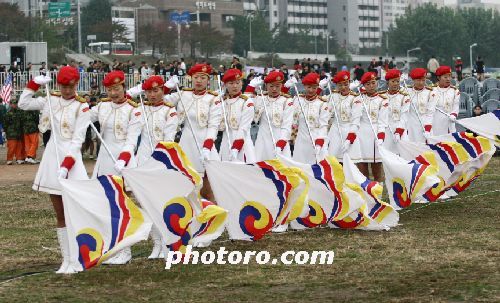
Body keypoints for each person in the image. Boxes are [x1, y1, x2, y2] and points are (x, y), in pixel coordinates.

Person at [18, 66, 90, 274]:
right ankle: (66, 259)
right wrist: (34, 84)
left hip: (71, 160)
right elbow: (23, 103)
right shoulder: (51, 99)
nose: (66, 90)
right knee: (59, 213)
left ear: (76, 84)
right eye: (63, 86)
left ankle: (77, 258)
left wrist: (67, 165)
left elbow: (78, 139)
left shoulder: (82, 107)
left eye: (70, 86)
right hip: (52, 157)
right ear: (58, 85)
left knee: (74, 212)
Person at [89, 71, 143, 265]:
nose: (113, 93)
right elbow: (84, 114)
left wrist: (123, 159)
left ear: (124, 87)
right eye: (110, 89)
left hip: (123, 160)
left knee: (123, 205)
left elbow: (131, 140)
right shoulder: (102, 106)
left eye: (117, 89)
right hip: (104, 158)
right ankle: (112, 246)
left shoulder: (133, 110)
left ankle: (125, 249)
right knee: (106, 204)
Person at [163, 63, 222, 201]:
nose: (199, 81)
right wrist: (168, 86)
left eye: (203, 77)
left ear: (208, 80)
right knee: (186, 187)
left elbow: (213, 126)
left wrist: (207, 148)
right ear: (191, 78)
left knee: (208, 189)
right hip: (186, 142)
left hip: (205, 144)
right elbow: (161, 100)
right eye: (196, 77)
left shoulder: (214, 98)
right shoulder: (184, 93)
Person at [244, 70, 295, 161]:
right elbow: (244, 103)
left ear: (282, 85)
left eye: (277, 86)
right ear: (266, 85)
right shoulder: (260, 98)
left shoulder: (287, 101)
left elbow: (287, 124)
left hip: (279, 138)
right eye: (271, 86)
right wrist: (250, 87)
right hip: (262, 138)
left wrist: (281, 143)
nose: (274, 89)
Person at [218, 69, 255, 163]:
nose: (235, 86)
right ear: (225, 85)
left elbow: (244, 127)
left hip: (242, 143)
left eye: (238, 82)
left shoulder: (246, 102)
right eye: (231, 83)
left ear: (242, 83)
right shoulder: (222, 101)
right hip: (226, 141)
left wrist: (236, 147)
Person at [357, 72, 389, 182]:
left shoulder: (383, 99)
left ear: (377, 83)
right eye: (368, 84)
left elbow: (382, 122)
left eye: (373, 83)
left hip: (375, 134)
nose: (371, 86)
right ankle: (366, 192)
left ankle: (378, 193)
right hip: (361, 134)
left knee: (377, 167)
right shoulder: (359, 98)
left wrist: (380, 137)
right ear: (364, 86)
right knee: (362, 166)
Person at [292, 72, 330, 164]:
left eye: (314, 87)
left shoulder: (322, 104)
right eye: (309, 87)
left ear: (318, 87)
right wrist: (285, 88)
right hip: (301, 140)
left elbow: (323, 125)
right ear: (304, 86)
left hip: (316, 140)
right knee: (300, 168)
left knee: (318, 170)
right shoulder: (297, 100)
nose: (311, 90)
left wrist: (320, 142)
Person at [326, 71, 362, 162]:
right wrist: (319, 88)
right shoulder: (333, 96)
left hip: (349, 131)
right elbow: (320, 104)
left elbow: (356, 122)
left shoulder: (355, 98)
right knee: (333, 162)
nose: (343, 87)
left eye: (346, 84)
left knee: (350, 163)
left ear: (349, 83)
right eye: (340, 85)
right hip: (335, 131)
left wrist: (349, 139)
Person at [382, 69, 410, 155]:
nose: (395, 83)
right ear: (387, 82)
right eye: (393, 81)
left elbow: (404, 117)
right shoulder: (382, 97)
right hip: (386, 130)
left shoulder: (404, 97)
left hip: (400, 130)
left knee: (403, 157)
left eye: (397, 81)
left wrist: (398, 132)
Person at [406, 68, 436, 143]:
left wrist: (427, 129)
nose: (421, 83)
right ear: (413, 80)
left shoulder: (430, 93)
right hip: (411, 125)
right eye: (418, 80)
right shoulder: (407, 92)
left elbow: (430, 113)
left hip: (425, 124)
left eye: (423, 80)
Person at [432, 66, 460, 136]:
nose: (448, 79)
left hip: (449, 121)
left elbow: (456, 106)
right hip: (435, 121)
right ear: (438, 78)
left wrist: (453, 114)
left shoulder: (455, 91)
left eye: (449, 76)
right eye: (445, 77)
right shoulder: (431, 90)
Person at [4, 99, 25, 165]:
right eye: (13, 103)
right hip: (11, 133)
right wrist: (6, 131)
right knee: (12, 147)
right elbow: (5, 124)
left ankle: (19, 158)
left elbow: (22, 122)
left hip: (19, 132)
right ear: (10, 104)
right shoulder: (8, 113)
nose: (14, 105)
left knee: (19, 146)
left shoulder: (20, 112)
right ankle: (9, 159)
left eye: (16, 103)